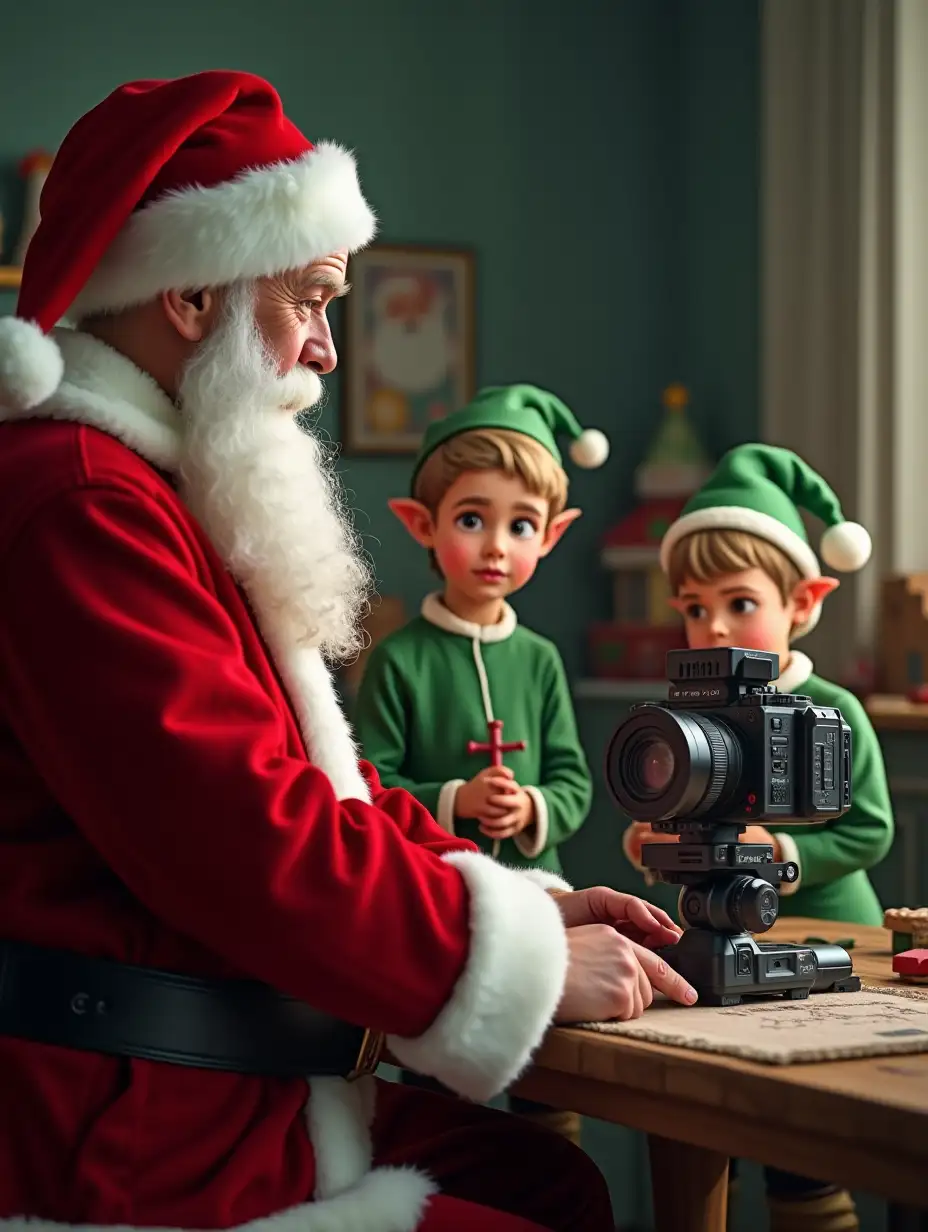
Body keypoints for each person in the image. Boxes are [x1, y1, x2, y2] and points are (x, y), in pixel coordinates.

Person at [0, 71, 699, 1232]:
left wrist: (524, 904)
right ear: (185, 294)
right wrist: (503, 963)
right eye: (311, 298)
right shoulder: (81, 505)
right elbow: (238, 833)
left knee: (548, 1178)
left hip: (229, 1084)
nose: (326, 348)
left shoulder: (150, 491)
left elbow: (326, 785)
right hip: (124, 1132)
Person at [623, 443, 894, 1232]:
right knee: (711, 1126)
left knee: (801, 1158)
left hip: (826, 932)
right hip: (717, 937)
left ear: (804, 600)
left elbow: (870, 826)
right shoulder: (689, 714)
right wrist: (653, 838)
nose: (714, 626)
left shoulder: (834, 707)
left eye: (739, 604)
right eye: (694, 606)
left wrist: (784, 853)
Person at [354, 385, 607, 1145]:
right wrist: (456, 800)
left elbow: (573, 784)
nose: (497, 545)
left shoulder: (541, 661)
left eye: (520, 525)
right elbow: (367, 787)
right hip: (443, 909)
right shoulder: (399, 660)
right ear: (421, 525)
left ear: (551, 536)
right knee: (438, 1103)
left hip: (542, 909)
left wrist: (532, 809)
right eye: (473, 520)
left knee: (553, 1095)